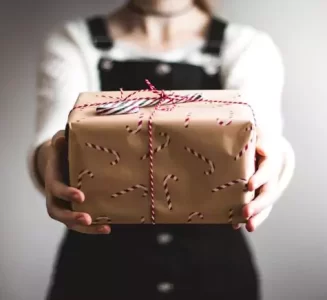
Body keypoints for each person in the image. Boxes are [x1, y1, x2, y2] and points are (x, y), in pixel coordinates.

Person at [28, 0, 295, 299]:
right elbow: (53, 135)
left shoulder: (247, 45)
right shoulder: (75, 41)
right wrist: (50, 162)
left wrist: (273, 161)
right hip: (99, 277)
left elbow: (264, 132)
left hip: (216, 277)